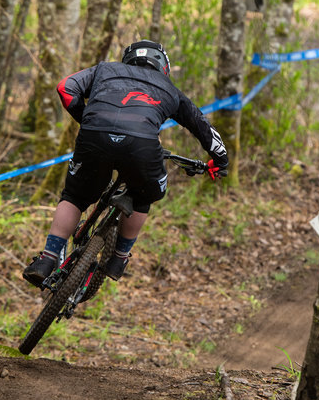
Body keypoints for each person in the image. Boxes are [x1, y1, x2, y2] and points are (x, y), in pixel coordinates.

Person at [23, 39, 229, 287]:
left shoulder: (104, 70)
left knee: (75, 196)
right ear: (164, 65)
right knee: (144, 195)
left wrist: (88, 119)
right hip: (142, 145)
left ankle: (47, 259)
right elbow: (203, 128)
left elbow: (65, 88)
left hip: (93, 135)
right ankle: (119, 259)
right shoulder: (170, 90)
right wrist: (220, 161)